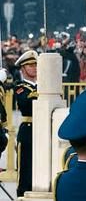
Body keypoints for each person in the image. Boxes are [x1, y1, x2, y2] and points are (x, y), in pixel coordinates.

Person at [14, 49, 39, 197]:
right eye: (30, 65)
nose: (34, 68)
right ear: (23, 69)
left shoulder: (42, 85)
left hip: (43, 129)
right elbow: (26, 104)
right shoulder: (21, 87)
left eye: (36, 65)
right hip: (28, 130)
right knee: (26, 169)